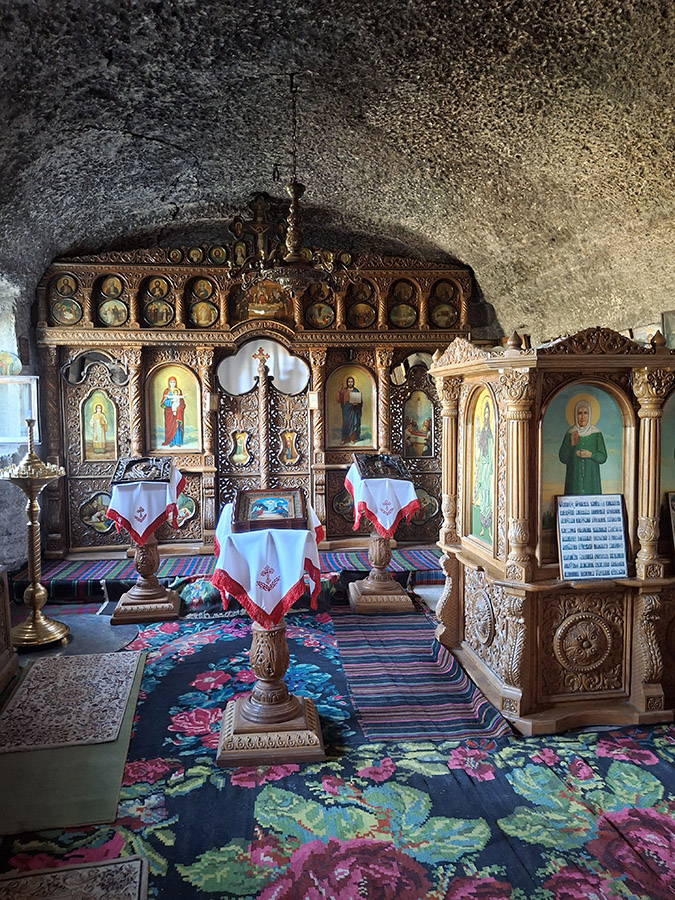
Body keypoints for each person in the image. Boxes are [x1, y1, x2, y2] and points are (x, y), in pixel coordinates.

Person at [558, 399, 607, 494]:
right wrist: (572, 446)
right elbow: (563, 458)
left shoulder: (596, 433)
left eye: (586, 413)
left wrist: (591, 455)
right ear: (576, 415)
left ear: (590, 415)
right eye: (580, 413)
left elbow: (603, 457)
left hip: (592, 483)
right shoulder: (571, 433)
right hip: (574, 482)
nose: (583, 416)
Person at [473, 400, 494, 538]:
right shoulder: (482, 432)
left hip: (488, 466)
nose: (486, 416)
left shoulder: (490, 432)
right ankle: (482, 528)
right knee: (482, 490)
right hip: (482, 465)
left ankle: (490, 531)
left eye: (488, 414)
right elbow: (479, 449)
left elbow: (491, 449)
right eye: (485, 414)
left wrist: (490, 466)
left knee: (488, 493)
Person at [336, 375, 362, 444]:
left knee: (354, 424)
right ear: (347, 382)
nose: (350, 383)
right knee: (346, 424)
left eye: (351, 382)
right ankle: (344, 439)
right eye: (349, 382)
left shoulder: (356, 390)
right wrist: (339, 391)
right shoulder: (344, 390)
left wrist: (357, 404)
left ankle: (352, 439)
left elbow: (360, 401)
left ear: (353, 382)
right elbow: (339, 400)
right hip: (346, 410)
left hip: (353, 409)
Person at [161, 376, 186, 447]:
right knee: (170, 427)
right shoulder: (166, 391)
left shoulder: (178, 391)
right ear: (169, 383)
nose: (172, 384)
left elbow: (182, 402)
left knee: (177, 426)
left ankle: (178, 442)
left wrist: (179, 407)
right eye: (171, 382)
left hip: (177, 412)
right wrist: (171, 402)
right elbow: (163, 402)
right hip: (169, 412)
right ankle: (171, 442)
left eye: (174, 382)